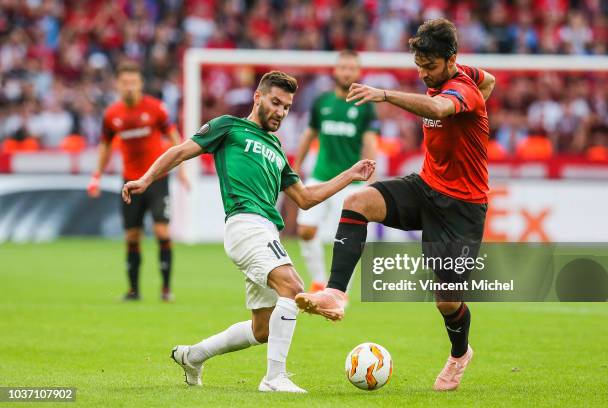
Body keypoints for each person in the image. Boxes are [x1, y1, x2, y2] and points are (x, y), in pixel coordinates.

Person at [122, 71, 375, 393]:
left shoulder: (277, 149)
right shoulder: (228, 126)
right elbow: (180, 151)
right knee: (292, 285)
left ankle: (193, 356)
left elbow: (306, 199)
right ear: (258, 98)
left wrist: (350, 175)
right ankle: (273, 379)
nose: (281, 112)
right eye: (275, 102)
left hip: (267, 230)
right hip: (245, 224)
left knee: (263, 329)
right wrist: (145, 179)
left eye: (286, 107)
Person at [295, 18, 496, 391]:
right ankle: (336, 294)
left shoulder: (462, 90)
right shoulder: (467, 74)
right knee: (357, 201)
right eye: (418, 65)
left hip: (463, 207)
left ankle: (459, 354)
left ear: (451, 60)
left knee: (447, 301)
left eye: (430, 67)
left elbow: (438, 110)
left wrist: (385, 94)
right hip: (426, 186)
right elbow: (491, 81)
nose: (422, 74)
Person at [87, 61, 189, 302]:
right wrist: (96, 175)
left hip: (157, 179)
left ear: (140, 84)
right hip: (130, 182)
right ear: (118, 85)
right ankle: (133, 292)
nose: (129, 87)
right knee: (132, 236)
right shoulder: (112, 115)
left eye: (133, 82)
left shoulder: (155, 109)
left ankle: (166, 289)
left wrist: (182, 169)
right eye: (125, 83)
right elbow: (105, 146)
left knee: (161, 230)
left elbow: (174, 136)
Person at [294, 50, 378, 292]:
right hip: (320, 177)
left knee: (345, 238)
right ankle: (320, 281)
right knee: (306, 230)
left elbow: (370, 142)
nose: (347, 72)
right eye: (343, 68)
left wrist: (371, 180)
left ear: (358, 72)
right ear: (335, 71)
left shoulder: (365, 106)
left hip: (351, 183)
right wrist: (296, 167)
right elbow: (308, 135)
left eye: (351, 68)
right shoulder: (322, 102)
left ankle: (340, 292)